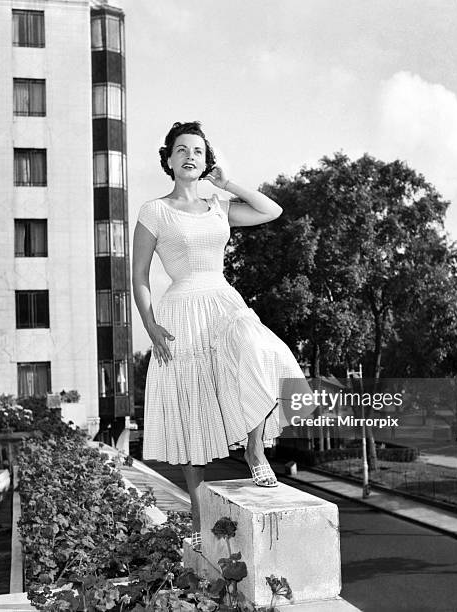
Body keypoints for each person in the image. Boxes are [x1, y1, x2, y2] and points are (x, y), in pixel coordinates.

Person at [132, 121, 312, 551]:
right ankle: (198, 524)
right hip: (180, 312)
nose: (189, 156)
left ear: (206, 159)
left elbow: (272, 211)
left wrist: (228, 183)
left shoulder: (218, 205)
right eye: (180, 150)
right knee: (191, 411)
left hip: (223, 302)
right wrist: (151, 325)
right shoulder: (153, 211)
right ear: (169, 160)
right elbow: (138, 276)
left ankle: (254, 450)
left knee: (265, 353)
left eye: (197, 150)